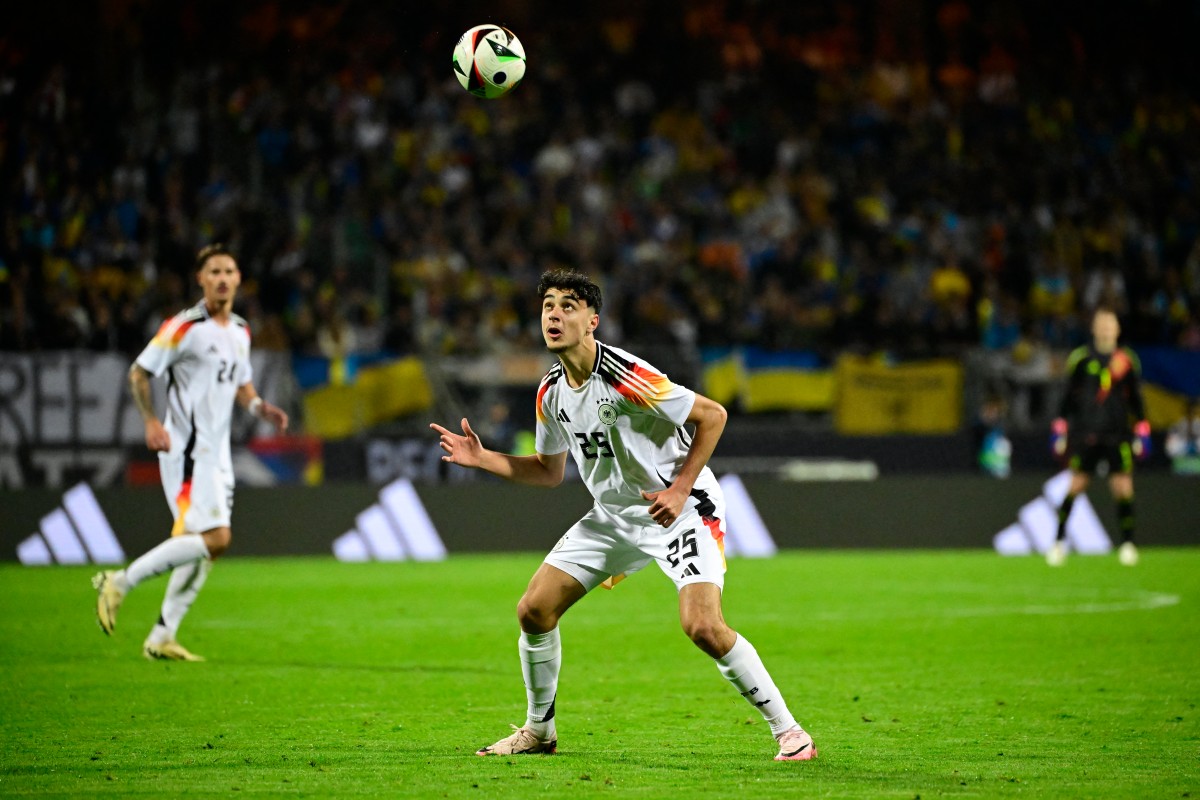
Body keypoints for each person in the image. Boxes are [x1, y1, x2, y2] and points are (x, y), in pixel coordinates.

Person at [430, 268, 815, 762]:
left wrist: (679, 489)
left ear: (592, 321)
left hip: (678, 510)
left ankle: (789, 731)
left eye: (569, 306)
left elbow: (713, 415)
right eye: (548, 304)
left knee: (702, 627)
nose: (554, 314)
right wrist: (484, 459)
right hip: (614, 516)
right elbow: (549, 472)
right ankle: (539, 731)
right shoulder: (550, 391)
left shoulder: (628, 378)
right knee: (533, 610)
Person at [92, 244, 289, 660]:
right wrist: (150, 421)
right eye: (213, 271)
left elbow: (241, 383)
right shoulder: (184, 327)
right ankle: (120, 582)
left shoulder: (239, 330)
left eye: (229, 271)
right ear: (200, 279)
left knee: (203, 548)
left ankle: (163, 636)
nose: (222, 278)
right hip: (185, 452)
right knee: (216, 538)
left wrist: (259, 407)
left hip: (218, 456)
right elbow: (139, 373)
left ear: (238, 279)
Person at [1047, 306, 1149, 567]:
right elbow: (1068, 397)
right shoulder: (1081, 358)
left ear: (1117, 329)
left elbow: (1136, 399)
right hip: (1087, 433)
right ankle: (1058, 542)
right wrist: (1059, 427)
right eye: (1101, 324)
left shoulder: (1127, 360)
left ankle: (1127, 544)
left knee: (1123, 488)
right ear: (1093, 328)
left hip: (1117, 434)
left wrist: (1143, 429)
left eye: (1110, 324)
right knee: (1076, 485)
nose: (1105, 328)